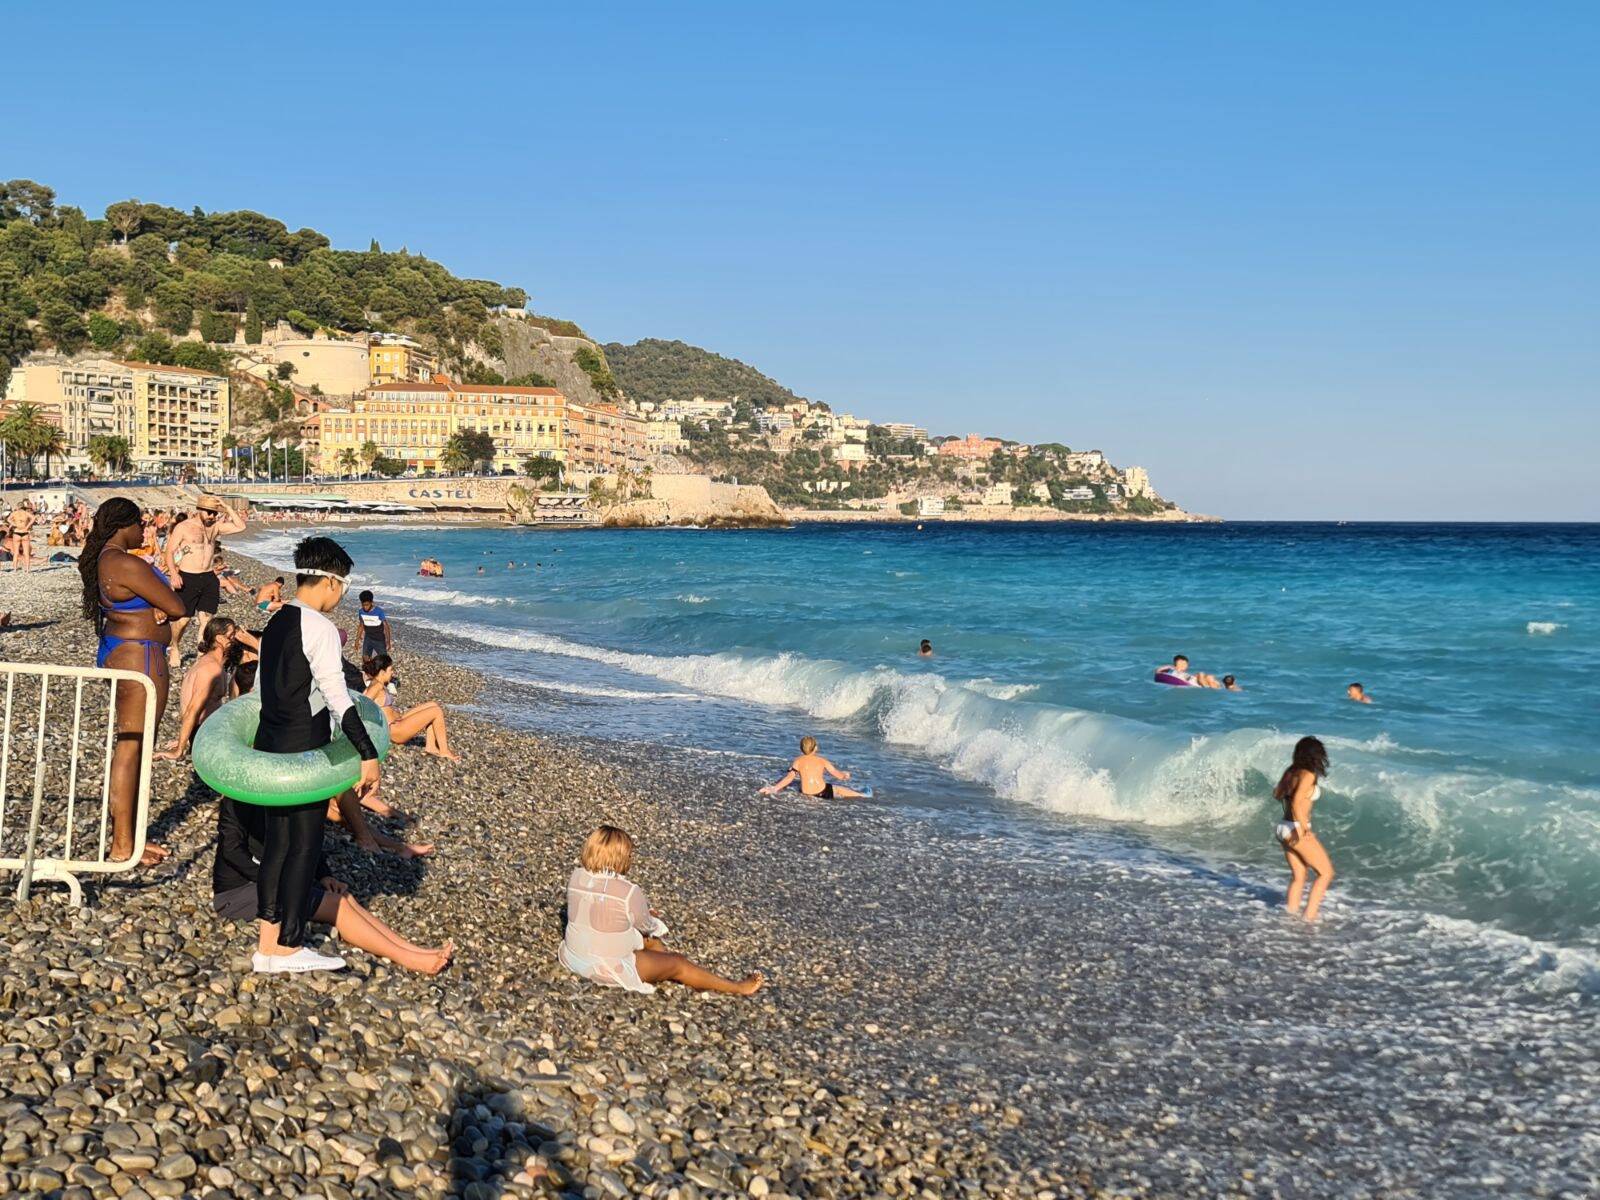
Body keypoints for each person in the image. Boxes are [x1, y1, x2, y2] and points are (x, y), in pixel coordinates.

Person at [251, 537, 382, 973]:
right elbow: (338, 697)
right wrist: (367, 753)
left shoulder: (277, 620)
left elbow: (261, 692)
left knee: (277, 846)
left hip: (269, 746)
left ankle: (267, 944)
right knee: (302, 846)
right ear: (329, 580)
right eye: (341, 585)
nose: (342, 594)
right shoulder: (319, 628)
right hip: (302, 751)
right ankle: (287, 947)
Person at [213, 791, 453, 974]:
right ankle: (408, 958)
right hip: (237, 893)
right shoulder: (238, 798)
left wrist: (324, 875)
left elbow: (304, 844)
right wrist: (274, 881)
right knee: (336, 906)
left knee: (345, 899)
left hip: (271, 883)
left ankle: (411, 949)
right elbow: (232, 852)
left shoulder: (286, 793)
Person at [78, 498, 188, 865]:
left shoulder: (105, 560)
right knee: (133, 748)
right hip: (139, 655)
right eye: (139, 523)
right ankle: (124, 844)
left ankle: (130, 836)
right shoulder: (125, 562)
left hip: (119, 649)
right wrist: (162, 605)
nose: (144, 529)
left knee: (131, 745)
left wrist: (157, 604)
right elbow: (176, 606)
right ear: (122, 525)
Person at [560, 825, 763, 995]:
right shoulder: (628, 891)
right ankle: (736, 987)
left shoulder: (576, 877)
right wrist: (653, 920)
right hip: (606, 967)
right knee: (677, 961)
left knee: (640, 935)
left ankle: (662, 964)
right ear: (621, 857)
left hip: (574, 957)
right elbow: (646, 927)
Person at [163, 496, 247, 667]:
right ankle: (175, 646)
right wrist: (173, 573)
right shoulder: (184, 527)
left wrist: (226, 507)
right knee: (183, 619)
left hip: (208, 577)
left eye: (215, 513)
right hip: (188, 576)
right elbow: (169, 551)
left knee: (206, 619)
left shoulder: (215, 527)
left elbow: (241, 526)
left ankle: (201, 656)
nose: (212, 516)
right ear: (199, 510)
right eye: (209, 512)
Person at [155, 618, 252, 761]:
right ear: (220, 638)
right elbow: (192, 709)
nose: (236, 640)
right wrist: (179, 749)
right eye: (232, 636)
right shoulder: (210, 669)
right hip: (205, 734)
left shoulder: (215, 664)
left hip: (205, 731)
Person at [1274, 736, 1335, 922]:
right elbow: (1297, 802)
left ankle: (1290, 917)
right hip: (1296, 829)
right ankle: (1309, 918)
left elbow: (1277, 794)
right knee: (1326, 873)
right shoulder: (1308, 775)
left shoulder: (1291, 771)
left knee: (1299, 876)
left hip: (1283, 827)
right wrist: (1303, 829)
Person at [362, 653, 461, 762]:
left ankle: (431, 746)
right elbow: (363, 705)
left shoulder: (375, 683)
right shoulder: (377, 686)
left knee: (433, 704)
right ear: (382, 672)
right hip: (395, 731)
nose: (393, 672)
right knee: (436, 711)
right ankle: (444, 750)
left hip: (397, 722)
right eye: (390, 670)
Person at [759, 735, 868, 799]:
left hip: (805, 792)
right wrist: (845, 775)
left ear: (801, 749)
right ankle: (862, 795)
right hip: (822, 792)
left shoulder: (798, 761)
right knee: (838, 789)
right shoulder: (822, 760)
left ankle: (861, 794)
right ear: (815, 748)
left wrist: (774, 788)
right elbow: (837, 775)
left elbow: (789, 778)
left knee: (797, 783)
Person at [353, 591, 393, 661]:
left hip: (379, 639)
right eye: (363, 605)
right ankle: (368, 671)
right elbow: (361, 625)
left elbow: (386, 627)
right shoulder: (361, 612)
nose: (365, 607)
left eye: (367, 605)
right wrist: (357, 640)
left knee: (383, 660)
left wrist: (388, 641)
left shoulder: (379, 612)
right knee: (365, 658)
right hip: (368, 638)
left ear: (372, 602)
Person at [1156, 654, 1223, 688]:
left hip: (1194, 682)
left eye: (1185, 664)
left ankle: (1220, 688)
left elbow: (1188, 678)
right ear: (1175, 664)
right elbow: (1158, 672)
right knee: (1201, 674)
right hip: (1193, 683)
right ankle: (1207, 688)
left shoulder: (1185, 673)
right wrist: (1170, 666)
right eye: (1181, 663)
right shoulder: (1172, 670)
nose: (1183, 665)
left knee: (1210, 677)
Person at [6, 501, 36, 571]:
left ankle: (15, 569)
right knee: (26, 553)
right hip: (25, 532)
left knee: (16, 553)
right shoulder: (26, 513)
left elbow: (8, 519)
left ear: (17, 507)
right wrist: (27, 526)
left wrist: (14, 524)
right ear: (23, 507)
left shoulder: (14, 513)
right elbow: (33, 518)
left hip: (17, 532)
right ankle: (27, 570)